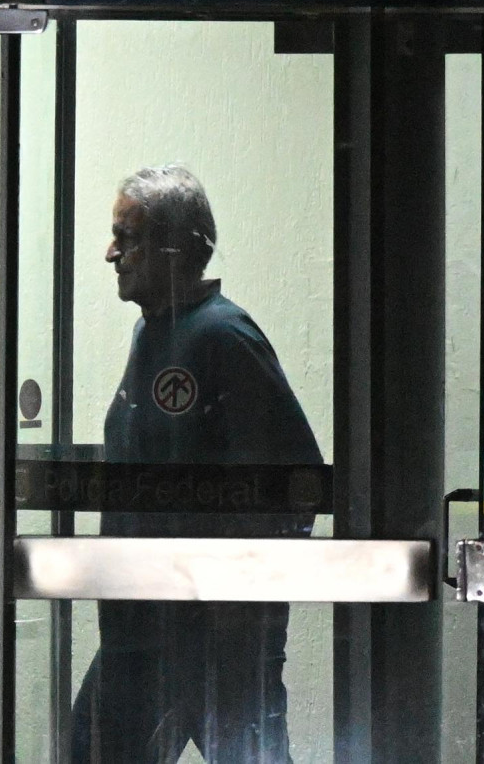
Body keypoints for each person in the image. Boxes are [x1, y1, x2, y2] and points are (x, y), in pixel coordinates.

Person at [72, 163, 322, 763]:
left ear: (175, 248)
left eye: (126, 237)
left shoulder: (223, 338)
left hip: (213, 641)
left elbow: (298, 483)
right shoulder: (153, 334)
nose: (112, 253)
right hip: (142, 631)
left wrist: (238, 611)